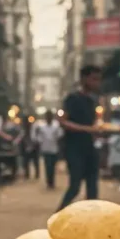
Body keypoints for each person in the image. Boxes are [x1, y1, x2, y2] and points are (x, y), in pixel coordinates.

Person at [58, 64, 105, 210]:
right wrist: (86, 129)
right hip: (74, 149)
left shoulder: (93, 100)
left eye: (98, 79)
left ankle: (92, 220)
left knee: (93, 188)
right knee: (75, 186)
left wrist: (98, 129)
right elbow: (63, 121)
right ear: (84, 79)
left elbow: (95, 122)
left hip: (89, 148)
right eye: (93, 79)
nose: (96, 83)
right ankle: (58, 215)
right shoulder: (72, 98)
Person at [34, 109, 63, 189]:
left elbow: (60, 135)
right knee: (48, 166)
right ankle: (49, 182)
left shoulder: (56, 126)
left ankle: (52, 182)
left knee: (52, 166)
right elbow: (38, 137)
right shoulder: (42, 127)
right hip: (45, 149)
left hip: (54, 149)